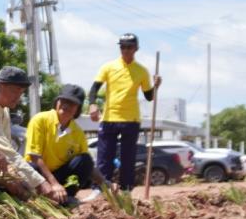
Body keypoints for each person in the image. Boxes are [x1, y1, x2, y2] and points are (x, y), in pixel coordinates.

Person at [88, 33, 160, 191]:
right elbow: (94, 89)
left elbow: (149, 97)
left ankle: (126, 190)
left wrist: (156, 86)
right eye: (122, 47)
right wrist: (92, 105)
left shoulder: (142, 71)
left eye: (129, 47)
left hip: (131, 119)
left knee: (128, 158)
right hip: (109, 117)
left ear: (136, 48)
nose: (126, 50)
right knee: (104, 157)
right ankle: (99, 190)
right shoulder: (108, 67)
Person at [0, 66, 66, 203]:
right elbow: (7, 152)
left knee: (24, 179)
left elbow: (9, 152)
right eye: (14, 91)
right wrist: (40, 183)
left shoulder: (4, 111)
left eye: (21, 93)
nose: (18, 97)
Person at [26, 84, 107, 199]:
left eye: (72, 103)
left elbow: (89, 168)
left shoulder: (78, 132)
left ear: (78, 109)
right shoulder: (40, 120)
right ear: (57, 102)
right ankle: (39, 195)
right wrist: (54, 184)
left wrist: (106, 184)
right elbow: (34, 156)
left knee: (85, 160)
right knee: (32, 166)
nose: (66, 105)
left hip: (58, 177)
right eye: (63, 100)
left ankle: (65, 197)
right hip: (38, 175)